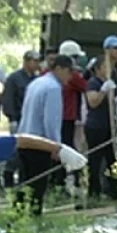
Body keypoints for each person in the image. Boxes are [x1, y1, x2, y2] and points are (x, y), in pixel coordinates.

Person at [19, 54, 77, 215]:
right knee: (37, 187)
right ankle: (34, 219)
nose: (70, 76)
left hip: (24, 139)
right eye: (69, 71)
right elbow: (51, 120)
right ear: (58, 69)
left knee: (25, 183)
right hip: (40, 143)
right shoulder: (53, 88)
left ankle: (18, 217)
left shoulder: (36, 83)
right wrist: (55, 146)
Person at [83, 56, 117, 200]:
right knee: (95, 160)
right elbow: (93, 103)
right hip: (95, 127)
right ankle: (94, 191)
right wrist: (103, 91)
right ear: (98, 69)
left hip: (109, 126)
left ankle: (113, 191)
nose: (109, 70)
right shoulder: (93, 83)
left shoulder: (111, 83)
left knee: (112, 160)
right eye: (105, 67)